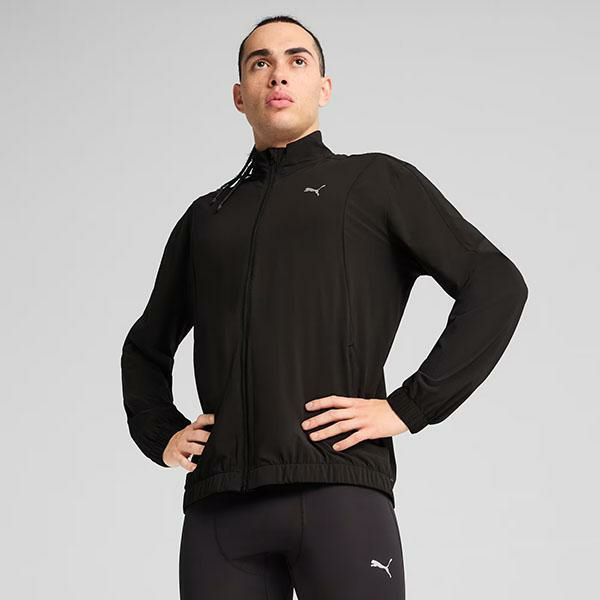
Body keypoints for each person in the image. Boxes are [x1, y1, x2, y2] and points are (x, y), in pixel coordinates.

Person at [120, 15, 528, 600]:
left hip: (339, 494)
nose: (278, 74)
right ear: (239, 94)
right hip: (220, 513)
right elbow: (145, 347)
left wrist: (410, 406)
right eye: (260, 63)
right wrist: (160, 433)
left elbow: (496, 283)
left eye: (297, 60)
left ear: (324, 87)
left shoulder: (374, 182)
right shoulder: (207, 218)